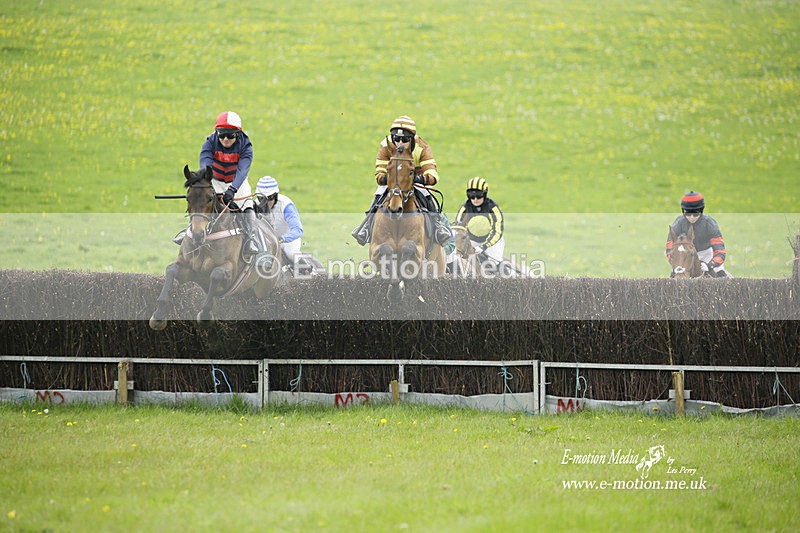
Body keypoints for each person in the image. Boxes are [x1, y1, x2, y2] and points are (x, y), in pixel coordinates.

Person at [352, 115, 451, 247]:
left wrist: (418, 178)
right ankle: (366, 227)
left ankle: (438, 228)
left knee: (425, 193)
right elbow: (379, 172)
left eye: (404, 139)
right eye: (396, 138)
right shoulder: (385, 146)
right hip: (393, 181)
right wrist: (389, 178)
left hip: (415, 180)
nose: (399, 143)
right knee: (379, 192)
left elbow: (433, 174)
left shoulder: (422, 147)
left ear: (412, 140)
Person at [195, 111, 260, 258]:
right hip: (216, 180)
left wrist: (233, 189)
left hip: (237, 182)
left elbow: (242, 171)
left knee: (247, 205)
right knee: (201, 201)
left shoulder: (246, 147)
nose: (225, 139)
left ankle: (251, 239)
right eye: (221, 134)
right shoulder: (210, 142)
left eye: (230, 135)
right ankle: (191, 233)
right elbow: (205, 161)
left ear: (238, 133)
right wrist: (206, 177)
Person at [665, 191, 730, 277]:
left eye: (695, 213)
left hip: (707, 255)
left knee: (721, 275)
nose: (691, 217)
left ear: (701, 210)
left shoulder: (709, 224)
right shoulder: (678, 224)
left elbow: (720, 252)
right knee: (672, 278)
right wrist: (676, 264)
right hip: (685, 256)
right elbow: (670, 250)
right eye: (688, 213)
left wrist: (710, 265)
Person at [453, 177, 505, 263]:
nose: (475, 200)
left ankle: (501, 271)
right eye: (472, 196)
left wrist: (484, 246)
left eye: (479, 196)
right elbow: (459, 229)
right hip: (472, 241)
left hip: (492, 243)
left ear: (484, 195)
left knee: (493, 263)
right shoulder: (465, 208)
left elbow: (497, 231)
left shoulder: (493, 208)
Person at [255, 176, 304, 264]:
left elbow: (298, 230)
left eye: (269, 198)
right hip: (266, 242)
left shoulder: (286, 205)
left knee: (291, 253)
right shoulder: (254, 205)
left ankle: (310, 272)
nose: (265, 203)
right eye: (261, 199)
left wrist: (281, 239)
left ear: (275, 196)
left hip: (286, 241)